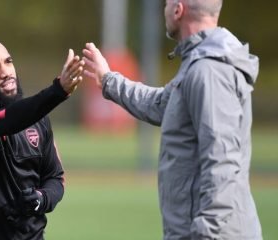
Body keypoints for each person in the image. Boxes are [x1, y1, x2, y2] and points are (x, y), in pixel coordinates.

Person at [82, 0, 262, 239]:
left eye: (166, 3)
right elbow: (160, 105)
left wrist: (206, 233)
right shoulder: (198, 65)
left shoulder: (209, 71)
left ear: (178, 10)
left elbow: (222, 162)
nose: (164, 9)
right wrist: (108, 80)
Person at [0, 36, 84, 240]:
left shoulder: (38, 119)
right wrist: (58, 91)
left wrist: (41, 198)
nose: (6, 73)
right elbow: (6, 120)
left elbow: (55, 178)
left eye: (8, 62)